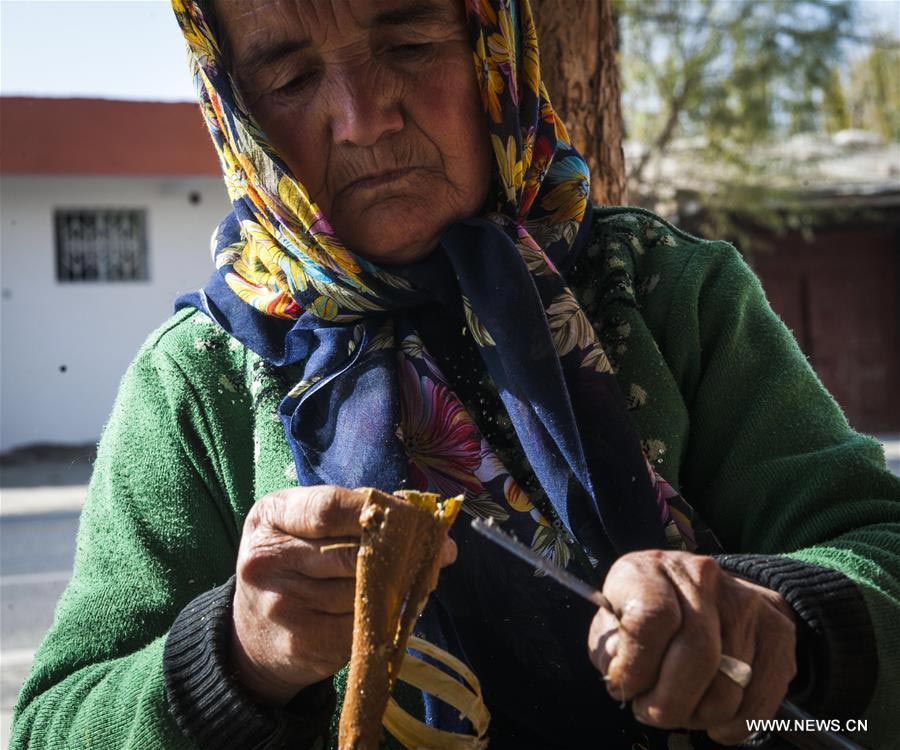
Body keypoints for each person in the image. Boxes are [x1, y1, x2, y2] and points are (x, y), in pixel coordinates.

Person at [11, 0, 900, 748]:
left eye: (408, 45)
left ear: (492, 51)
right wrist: (240, 654)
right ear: (235, 109)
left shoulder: (670, 295)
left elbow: (877, 545)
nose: (363, 117)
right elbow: (53, 724)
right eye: (290, 80)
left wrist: (783, 619)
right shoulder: (199, 379)